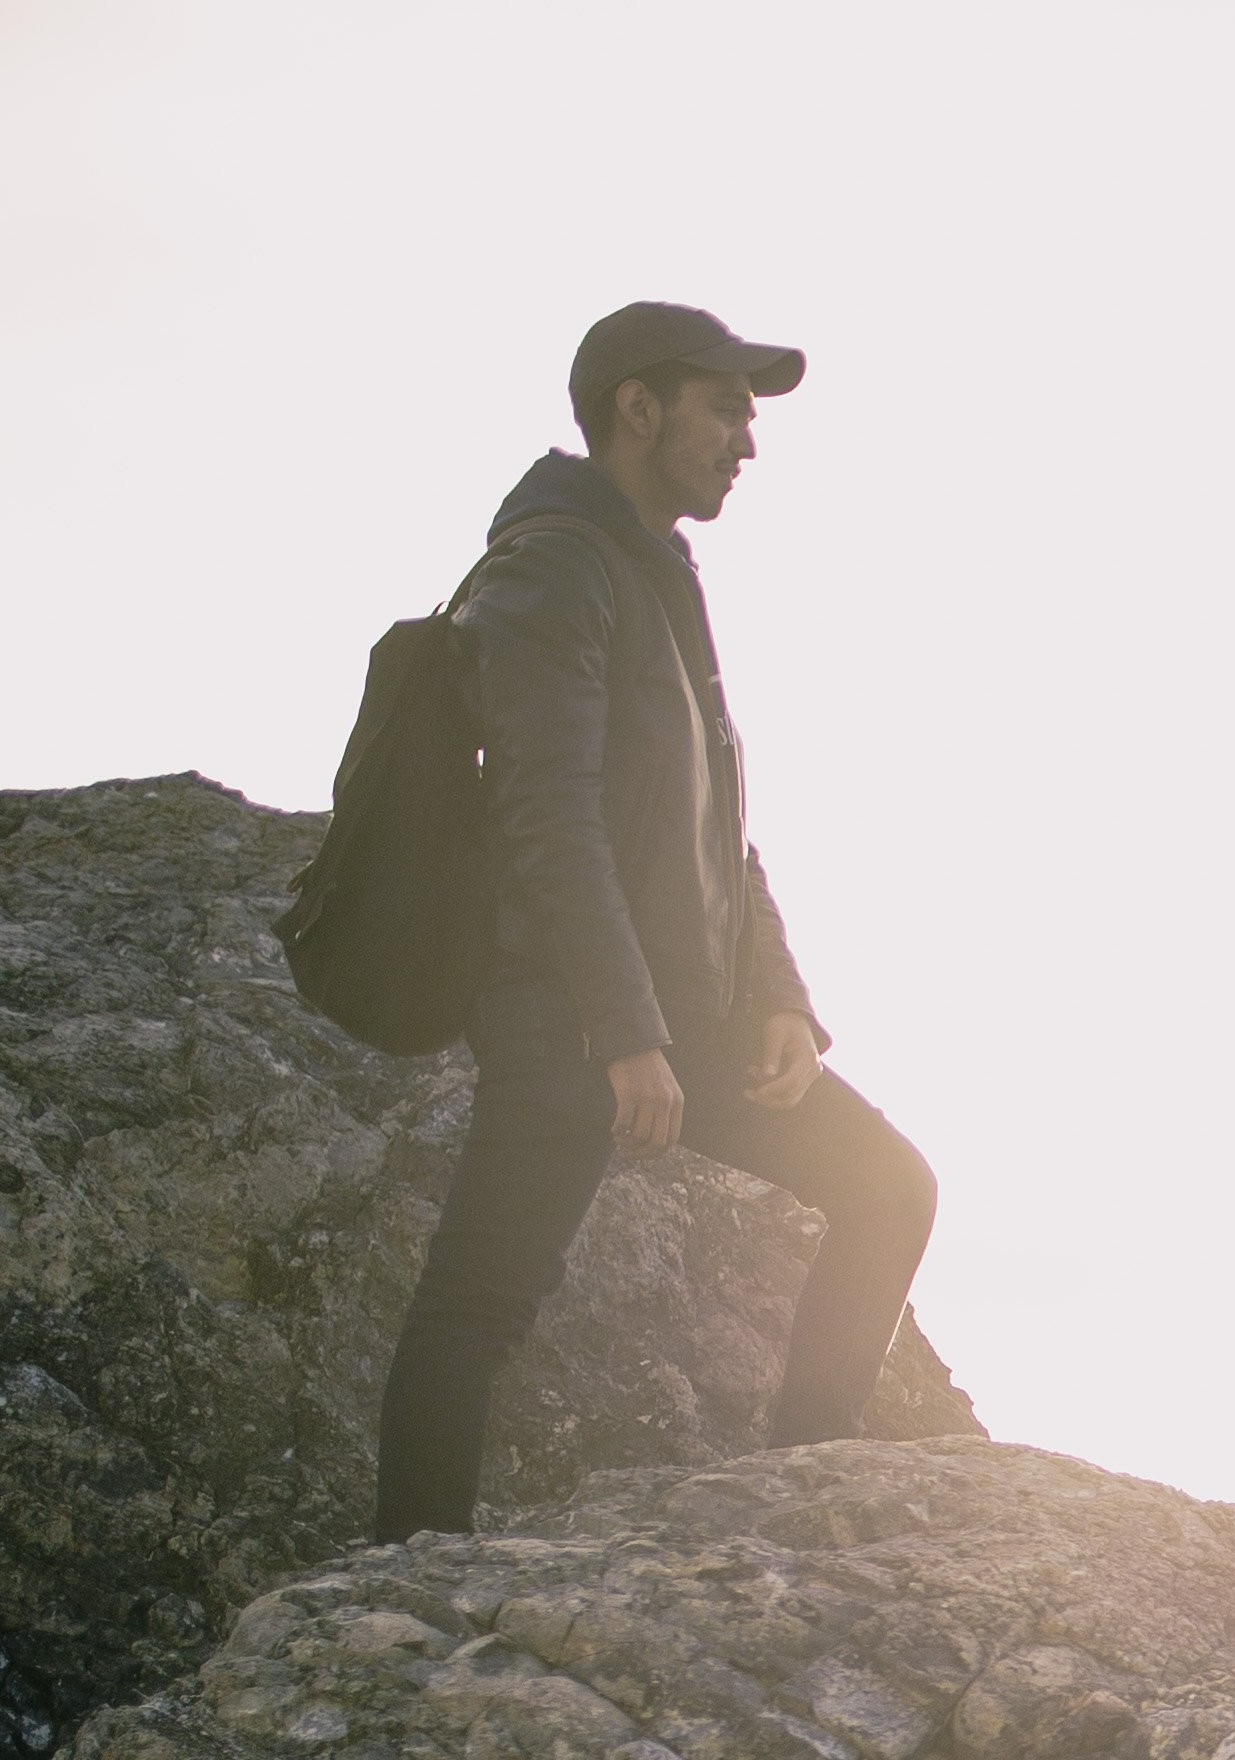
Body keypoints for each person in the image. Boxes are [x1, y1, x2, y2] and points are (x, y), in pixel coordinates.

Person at [369, 301, 937, 1540]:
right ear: (641, 407)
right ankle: (405, 1583)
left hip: (692, 1009)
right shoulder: (551, 568)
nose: (748, 439)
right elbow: (549, 817)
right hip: (568, 1009)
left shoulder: (650, 568)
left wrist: (780, 997)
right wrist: (624, 1033)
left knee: (889, 1189)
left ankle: (798, 1496)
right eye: (727, 406)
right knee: (476, 1310)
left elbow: (716, 820)